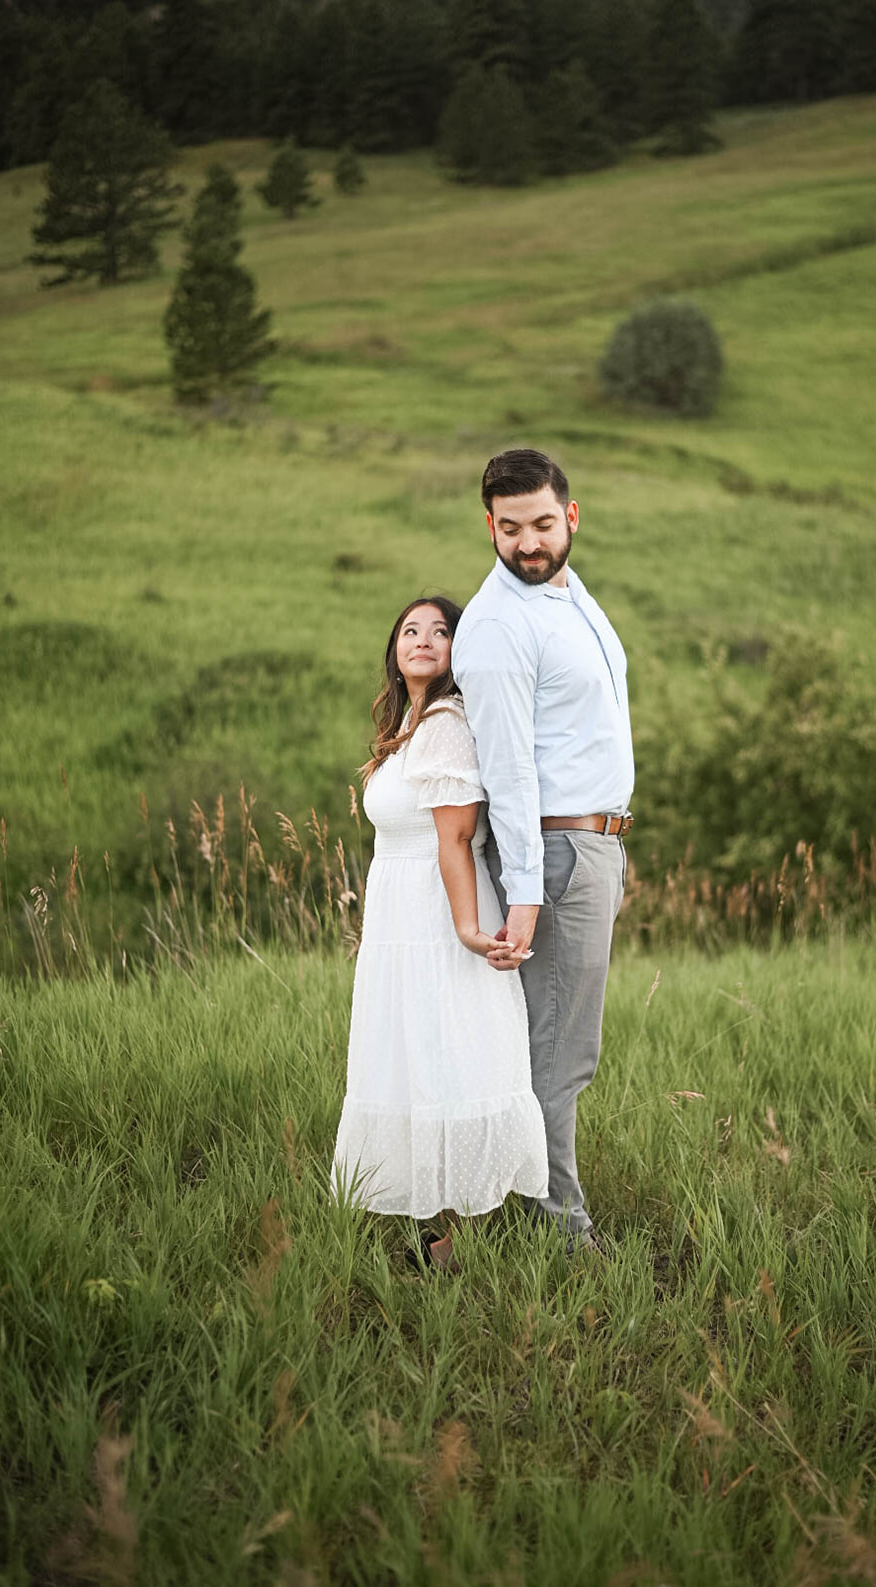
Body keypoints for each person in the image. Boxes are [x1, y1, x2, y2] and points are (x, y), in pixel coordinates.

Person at [451, 449, 634, 1254]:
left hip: (590, 846)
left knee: (564, 1045)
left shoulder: (565, 590)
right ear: (488, 525)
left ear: (572, 517)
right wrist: (525, 892)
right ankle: (560, 1231)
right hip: (555, 856)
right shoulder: (497, 626)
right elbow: (510, 773)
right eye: (511, 528)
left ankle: (517, 1204)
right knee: (557, 1053)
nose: (529, 543)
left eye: (543, 524)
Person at [331, 595, 548, 1270]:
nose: (423, 639)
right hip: (400, 921)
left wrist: (465, 928)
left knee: (448, 1061)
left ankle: (460, 1239)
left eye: (441, 630)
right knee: (415, 1060)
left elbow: (454, 837)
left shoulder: (448, 722)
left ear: (460, 649)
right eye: (410, 630)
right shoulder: (407, 727)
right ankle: (433, 1231)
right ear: (394, 650)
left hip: (437, 914)